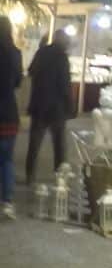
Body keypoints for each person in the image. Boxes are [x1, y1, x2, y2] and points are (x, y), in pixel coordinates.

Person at [25, 30, 71, 183]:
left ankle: (30, 175)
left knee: (34, 144)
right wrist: (70, 106)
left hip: (39, 105)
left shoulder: (41, 52)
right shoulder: (62, 57)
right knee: (59, 145)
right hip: (56, 108)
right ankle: (59, 176)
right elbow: (65, 85)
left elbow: (30, 71)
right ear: (63, 42)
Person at [0, 18, 20, 218]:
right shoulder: (15, 53)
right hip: (9, 114)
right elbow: (18, 82)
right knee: (7, 160)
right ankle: (7, 202)